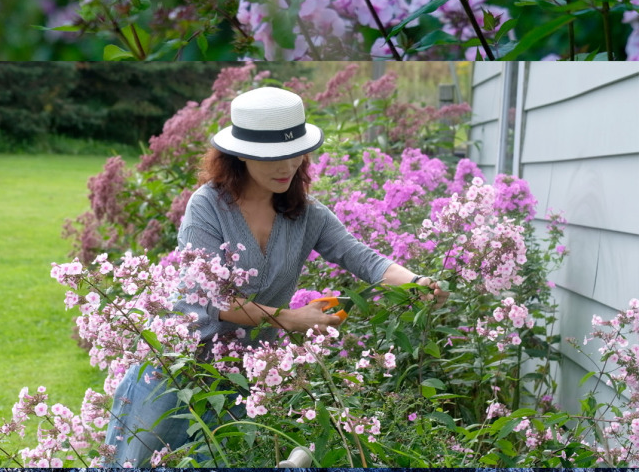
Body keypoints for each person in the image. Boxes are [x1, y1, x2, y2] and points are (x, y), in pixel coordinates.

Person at [105, 86, 447, 467]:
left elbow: (364, 259)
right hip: (176, 367)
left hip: (244, 377)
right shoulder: (207, 206)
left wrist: (419, 283)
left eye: (294, 154)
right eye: (273, 158)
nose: (287, 167)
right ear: (240, 155)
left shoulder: (306, 215)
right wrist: (290, 318)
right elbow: (210, 299)